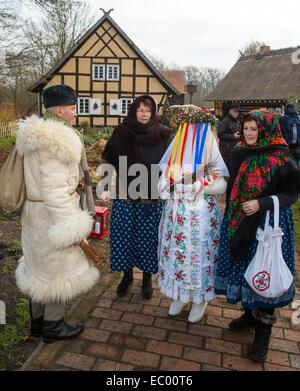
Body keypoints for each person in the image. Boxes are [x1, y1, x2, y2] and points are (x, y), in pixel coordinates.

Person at [15, 85, 100, 343]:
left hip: (35, 213)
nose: (76, 114)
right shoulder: (57, 142)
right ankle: (53, 327)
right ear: (61, 109)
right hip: (52, 217)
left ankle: (38, 325)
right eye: (73, 108)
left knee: (37, 268)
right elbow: (56, 192)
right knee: (56, 272)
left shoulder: (35, 136)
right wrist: (71, 228)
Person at [215, 111, 300, 362]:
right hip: (241, 221)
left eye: (254, 129)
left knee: (264, 271)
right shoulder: (240, 152)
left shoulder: (281, 158)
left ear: (265, 130)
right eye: (247, 128)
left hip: (267, 227)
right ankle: (248, 314)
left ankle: (263, 331)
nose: (249, 133)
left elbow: (292, 194)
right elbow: (231, 186)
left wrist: (261, 204)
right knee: (244, 268)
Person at [157, 105, 229, 322]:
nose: (193, 131)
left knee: (197, 255)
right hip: (177, 215)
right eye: (189, 127)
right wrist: (166, 185)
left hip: (201, 216)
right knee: (178, 253)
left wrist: (199, 185)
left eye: (197, 127)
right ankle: (180, 294)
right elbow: (164, 176)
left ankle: (199, 298)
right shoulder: (177, 148)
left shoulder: (210, 151)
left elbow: (222, 185)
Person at [102, 95, 172, 299]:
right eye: (140, 110)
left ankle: (147, 279)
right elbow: (108, 159)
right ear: (133, 111)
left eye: (148, 110)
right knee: (125, 236)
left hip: (153, 196)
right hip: (125, 194)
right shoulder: (122, 132)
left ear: (153, 112)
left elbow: (170, 164)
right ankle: (127, 275)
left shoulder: (163, 134)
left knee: (149, 238)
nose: (144, 114)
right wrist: (106, 186)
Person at [217, 103, 241, 167]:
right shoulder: (224, 122)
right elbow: (220, 134)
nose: (236, 113)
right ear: (230, 111)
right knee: (225, 170)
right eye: (235, 111)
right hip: (226, 151)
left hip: (235, 150)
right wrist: (233, 136)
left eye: (237, 112)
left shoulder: (238, 121)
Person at [279, 103, 300, 168]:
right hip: (298, 147)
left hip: (286, 147)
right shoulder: (298, 118)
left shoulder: (282, 119)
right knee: (297, 164)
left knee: (287, 166)